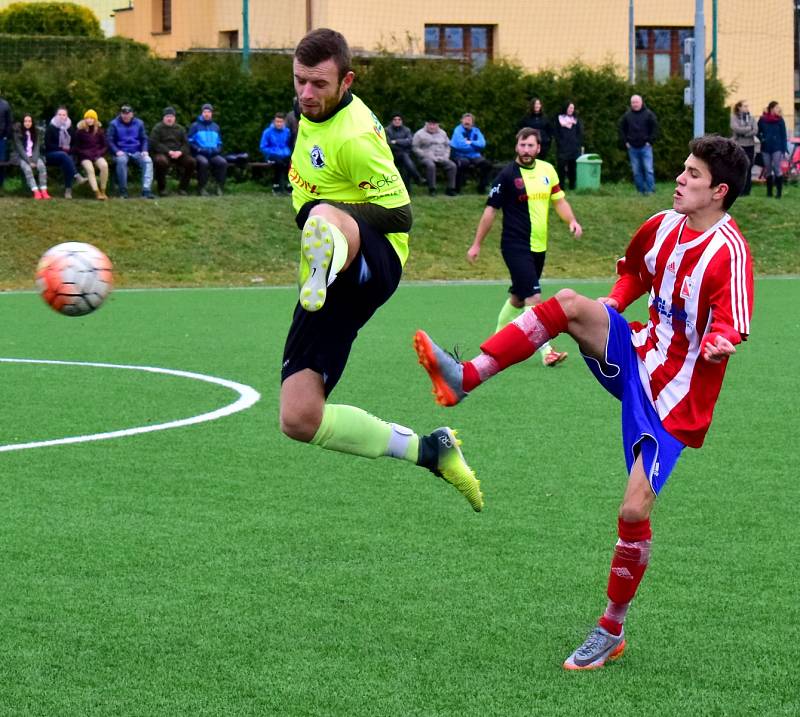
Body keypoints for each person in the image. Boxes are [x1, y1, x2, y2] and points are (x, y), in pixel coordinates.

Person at [413, 134, 753, 669]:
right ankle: (465, 377)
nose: (680, 180)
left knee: (633, 510)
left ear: (720, 191)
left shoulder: (729, 253)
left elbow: (732, 324)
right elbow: (634, 274)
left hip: (677, 398)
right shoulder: (662, 225)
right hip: (638, 351)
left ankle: (610, 629)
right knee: (569, 304)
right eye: (683, 169)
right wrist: (612, 304)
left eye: (692, 175)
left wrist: (718, 343)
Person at [280, 28, 483, 512]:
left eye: (319, 84)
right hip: (332, 271)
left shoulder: (355, 136)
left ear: (346, 81)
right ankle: (432, 451)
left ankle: (324, 258)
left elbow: (401, 215)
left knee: (322, 216)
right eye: (299, 81)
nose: (307, 94)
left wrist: (327, 212)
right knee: (299, 417)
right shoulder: (307, 111)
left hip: (377, 258)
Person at [467, 127, 582, 364]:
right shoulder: (506, 176)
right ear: (516, 146)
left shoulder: (547, 170)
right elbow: (490, 211)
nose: (526, 150)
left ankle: (494, 345)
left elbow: (559, 201)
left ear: (538, 148)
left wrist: (571, 220)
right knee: (534, 297)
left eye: (531, 145)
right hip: (514, 245)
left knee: (519, 298)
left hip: (538, 247)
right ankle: (546, 352)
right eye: (522, 145)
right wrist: (476, 244)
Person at [107, 104, 154, 199]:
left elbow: (144, 138)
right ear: (121, 114)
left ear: (132, 114)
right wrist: (116, 151)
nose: (126, 116)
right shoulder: (114, 124)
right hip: (121, 151)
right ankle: (123, 191)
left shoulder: (139, 123)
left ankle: (146, 190)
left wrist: (144, 150)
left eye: (128, 114)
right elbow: (109, 140)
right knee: (121, 161)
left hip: (136, 151)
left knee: (148, 160)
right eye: (123, 114)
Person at [150, 106, 196, 196]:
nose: (169, 119)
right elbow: (154, 143)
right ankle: (162, 189)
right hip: (163, 153)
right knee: (160, 161)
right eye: (167, 117)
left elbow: (186, 144)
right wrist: (168, 151)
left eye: (171, 117)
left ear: (174, 118)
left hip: (178, 154)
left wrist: (180, 152)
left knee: (191, 162)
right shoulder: (157, 128)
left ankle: (183, 188)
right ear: (163, 118)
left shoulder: (180, 129)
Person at [44, 106, 88, 199]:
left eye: (63, 115)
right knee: (64, 156)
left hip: (66, 156)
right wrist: (62, 149)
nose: (61, 116)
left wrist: (68, 150)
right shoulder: (51, 127)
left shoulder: (70, 128)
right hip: (51, 155)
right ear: (56, 116)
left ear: (67, 116)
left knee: (68, 160)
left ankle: (68, 190)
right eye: (59, 114)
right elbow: (48, 144)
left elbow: (75, 144)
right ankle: (77, 176)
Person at [619, 94, 659, 195]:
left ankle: (650, 191)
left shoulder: (649, 114)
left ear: (641, 102)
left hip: (646, 147)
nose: (635, 104)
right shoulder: (627, 116)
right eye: (633, 102)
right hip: (632, 147)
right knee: (636, 172)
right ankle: (640, 191)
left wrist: (650, 141)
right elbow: (621, 129)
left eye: (636, 102)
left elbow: (655, 128)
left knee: (648, 170)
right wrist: (626, 142)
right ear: (631, 104)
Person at [188, 103, 228, 196]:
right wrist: (199, 150)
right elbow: (190, 141)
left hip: (213, 153)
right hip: (200, 154)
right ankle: (201, 188)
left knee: (223, 162)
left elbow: (220, 142)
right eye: (205, 112)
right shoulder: (195, 126)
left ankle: (219, 187)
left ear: (211, 114)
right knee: (204, 163)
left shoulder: (216, 126)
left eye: (209, 112)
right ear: (202, 113)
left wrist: (218, 150)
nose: (207, 114)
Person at [411, 118, 457, 196]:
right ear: (426, 124)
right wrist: (425, 155)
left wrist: (446, 156)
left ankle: (450, 188)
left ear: (438, 125)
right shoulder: (419, 134)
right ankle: (432, 189)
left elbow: (448, 146)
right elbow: (415, 148)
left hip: (441, 157)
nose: (432, 127)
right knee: (431, 165)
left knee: (452, 165)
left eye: (434, 124)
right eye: (430, 124)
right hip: (426, 158)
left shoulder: (443, 133)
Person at [450, 112, 493, 194]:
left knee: (487, 165)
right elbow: (460, 146)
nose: (467, 122)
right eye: (465, 119)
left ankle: (482, 187)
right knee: (463, 164)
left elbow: (482, 144)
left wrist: (471, 142)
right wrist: (475, 147)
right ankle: (457, 189)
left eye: (469, 120)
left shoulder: (476, 131)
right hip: (460, 155)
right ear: (461, 121)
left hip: (475, 156)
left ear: (473, 123)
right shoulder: (457, 130)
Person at [10, 114, 50, 199]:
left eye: (29, 121)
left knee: (42, 167)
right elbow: (20, 149)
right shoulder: (17, 133)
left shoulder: (36, 132)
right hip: (21, 157)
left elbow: (36, 147)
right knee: (28, 169)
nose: (27, 123)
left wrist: (34, 160)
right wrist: (29, 162)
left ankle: (43, 190)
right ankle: (35, 190)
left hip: (34, 156)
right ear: (22, 122)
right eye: (25, 121)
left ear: (32, 122)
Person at [73, 109, 109, 200]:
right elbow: (76, 147)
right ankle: (96, 192)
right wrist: (84, 153)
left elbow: (104, 146)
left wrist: (99, 153)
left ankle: (103, 190)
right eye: (87, 118)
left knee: (104, 166)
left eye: (91, 118)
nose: (89, 120)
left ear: (95, 120)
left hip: (97, 154)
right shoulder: (79, 131)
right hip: (84, 156)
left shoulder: (100, 131)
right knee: (90, 169)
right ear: (84, 119)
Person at [384, 113, 423, 191]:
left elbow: (410, 142)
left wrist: (396, 141)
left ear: (402, 121)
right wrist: (403, 142)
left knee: (405, 166)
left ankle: (407, 190)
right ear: (392, 121)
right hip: (392, 155)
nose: (397, 121)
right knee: (405, 156)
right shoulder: (387, 130)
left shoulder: (407, 130)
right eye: (395, 119)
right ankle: (417, 178)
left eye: (399, 119)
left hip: (405, 156)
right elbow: (388, 144)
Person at [757, 100, 788, 199]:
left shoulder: (780, 120)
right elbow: (757, 131)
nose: (779, 109)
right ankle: (769, 192)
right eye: (777, 107)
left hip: (777, 147)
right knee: (768, 169)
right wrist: (762, 138)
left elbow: (784, 135)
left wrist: (784, 149)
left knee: (777, 168)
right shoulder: (762, 119)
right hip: (766, 147)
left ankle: (779, 193)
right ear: (771, 108)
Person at [552, 102, 583, 191]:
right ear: (566, 108)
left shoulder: (576, 120)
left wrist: (577, 143)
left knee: (572, 168)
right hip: (562, 148)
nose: (571, 110)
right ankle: (561, 186)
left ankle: (572, 186)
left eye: (572, 108)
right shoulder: (559, 119)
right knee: (561, 168)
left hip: (573, 148)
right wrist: (560, 143)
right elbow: (556, 133)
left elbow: (579, 133)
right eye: (569, 108)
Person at [259, 112, 292, 194]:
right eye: (277, 121)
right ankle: (277, 186)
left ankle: (288, 185)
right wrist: (273, 152)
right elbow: (263, 147)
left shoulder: (287, 131)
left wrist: (287, 152)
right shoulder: (267, 132)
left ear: (284, 122)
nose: (279, 124)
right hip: (271, 155)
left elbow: (288, 144)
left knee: (291, 162)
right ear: (274, 122)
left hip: (285, 154)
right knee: (279, 163)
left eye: (281, 122)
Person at [730, 100, 758, 197]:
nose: (747, 108)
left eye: (747, 106)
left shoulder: (751, 118)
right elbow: (736, 128)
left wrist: (743, 133)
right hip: (739, 145)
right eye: (744, 106)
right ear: (739, 107)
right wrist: (747, 129)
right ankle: (739, 190)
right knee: (739, 168)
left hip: (750, 145)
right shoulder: (734, 118)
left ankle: (747, 190)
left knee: (748, 167)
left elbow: (755, 130)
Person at [0, 93, 11, 190]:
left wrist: (6, 136)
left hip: (1, 139)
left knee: (2, 163)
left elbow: (9, 121)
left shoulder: (5, 104)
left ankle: (1, 185)